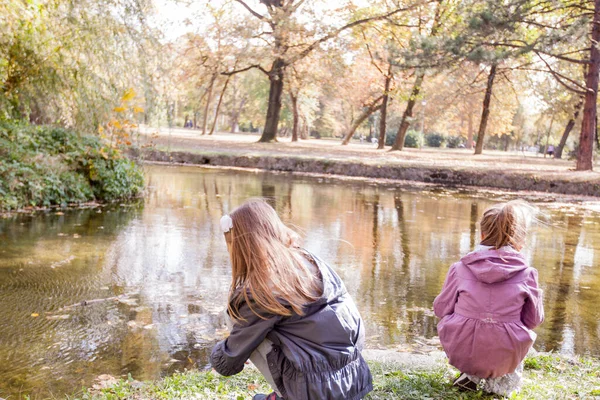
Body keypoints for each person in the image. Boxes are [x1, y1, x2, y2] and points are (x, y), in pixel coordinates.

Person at [210, 199, 372, 400]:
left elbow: (227, 364)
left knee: (235, 318)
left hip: (316, 393)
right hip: (352, 381)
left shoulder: (261, 292)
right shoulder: (309, 261)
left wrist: (224, 352)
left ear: (241, 246)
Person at [433, 201, 544, 397]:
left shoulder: (459, 269)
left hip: (463, 350)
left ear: (482, 235)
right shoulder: (527, 274)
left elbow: (441, 309)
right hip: (505, 354)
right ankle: (501, 382)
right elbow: (533, 321)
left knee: (463, 325)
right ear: (520, 240)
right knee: (517, 335)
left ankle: (470, 375)